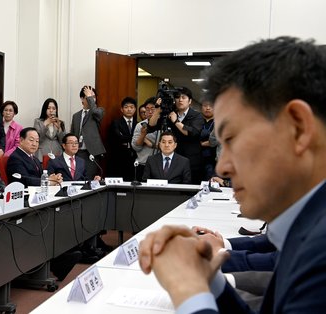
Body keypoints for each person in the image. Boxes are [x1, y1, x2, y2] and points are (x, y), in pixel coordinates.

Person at [138, 37, 326, 313]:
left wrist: (187, 289)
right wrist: (208, 278)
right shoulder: (308, 229)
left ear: (297, 128)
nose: (223, 167)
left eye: (232, 139)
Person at [148, 86, 204, 184]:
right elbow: (151, 126)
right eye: (177, 97)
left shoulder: (196, 115)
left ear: (190, 101)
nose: (180, 100)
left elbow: (191, 132)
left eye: (183, 97)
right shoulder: (170, 113)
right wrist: (157, 109)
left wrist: (175, 121)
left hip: (192, 160)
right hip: (172, 160)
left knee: (189, 189)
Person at [70, 85, 105, 180]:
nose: (92, 99)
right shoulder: (76, 116)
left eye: (93, 97)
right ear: (82, 98)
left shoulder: (99, 111)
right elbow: (72, 134)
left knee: (89, 179)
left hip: (92, 153)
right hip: (78, 152)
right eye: (88, 97)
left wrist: (89, 96)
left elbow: (96, 112)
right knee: (78, 179)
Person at [108, 96, 137, 181]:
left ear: (135, 109)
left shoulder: (139, 124)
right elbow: (119, 138)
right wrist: (134, 137)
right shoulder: (116, 123)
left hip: (134, 158)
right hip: (119, 159)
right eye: (126, 107)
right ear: (121, 109)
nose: (129, 109)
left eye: (131, 107)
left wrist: (125, 137)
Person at [131, 97, 158, 180]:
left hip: (160, 166)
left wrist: (149, 143)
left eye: (153, 109)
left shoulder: (165, 124)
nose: (149, 112)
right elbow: (136, 147)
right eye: (147, 109)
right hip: (143, 164)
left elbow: (167, 146)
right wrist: (143, 135)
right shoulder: (140, 125)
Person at [200, 101, 217, 181]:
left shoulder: (218, 122)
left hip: (213, 160)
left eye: (211, 106)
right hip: (196, 159)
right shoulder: (196, 120)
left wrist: (202, 144)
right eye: (205, 105)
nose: (208, 108)